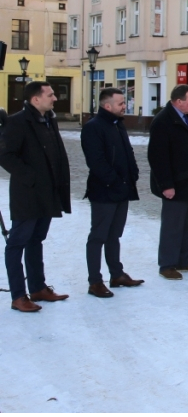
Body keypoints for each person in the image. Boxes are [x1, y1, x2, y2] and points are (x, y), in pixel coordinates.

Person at [0, 81, 71, 312]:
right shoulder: (17, 122)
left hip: (47, 193)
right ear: (36, 99)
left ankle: (38, 287)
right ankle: (19, 296)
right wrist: (30, 177)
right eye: (50, 95)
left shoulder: (49, 119)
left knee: (36, 240)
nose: (55, 98)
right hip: (27, 195)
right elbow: (6, 155)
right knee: (17, 243)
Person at [81, 88, 144, 298]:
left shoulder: (118, 125)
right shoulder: (93, 127)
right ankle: (95, 281)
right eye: (120, 103)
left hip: (122, 189)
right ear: (107, 106)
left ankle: (117, 274)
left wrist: (133, 173)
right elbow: (96, 162)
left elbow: (128, 152)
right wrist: (115, 181)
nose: (124, 106)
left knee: (114, 235)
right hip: (103, 191)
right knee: (98, 236)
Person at [148, 84, 188, 280]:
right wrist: (166, 185)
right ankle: (167, 263)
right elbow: (157, 157)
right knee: (173, 225)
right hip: (175, 183)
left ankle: (184, 259)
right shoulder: (163, 121)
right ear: (179, 101)